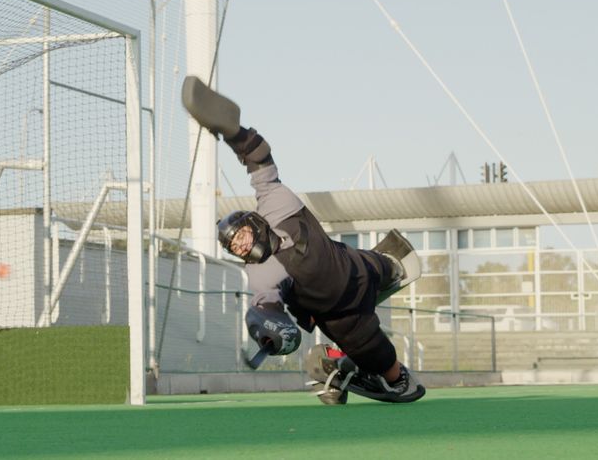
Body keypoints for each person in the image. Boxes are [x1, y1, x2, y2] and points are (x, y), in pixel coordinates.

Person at [182, 76, 425, 405]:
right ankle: (384, 377)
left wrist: (233, 133)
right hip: (341, 316)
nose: (239, 245)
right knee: (381, 358)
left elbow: (261, 160)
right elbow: (265, 304)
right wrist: (266, 325)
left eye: (239, 236)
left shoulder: (276, 203)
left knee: (382, 266)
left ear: (253, 222)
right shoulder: (261, 273)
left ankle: (354, 345)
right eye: (233, 247)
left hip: (360, 266)